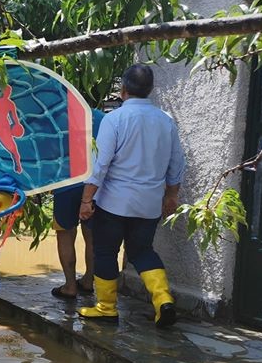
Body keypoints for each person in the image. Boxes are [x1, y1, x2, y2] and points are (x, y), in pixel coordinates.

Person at [78, 64, 185, 327]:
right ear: (150, 90)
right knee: (142, 251)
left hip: (114, 202)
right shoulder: (166, 120)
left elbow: (100, 164)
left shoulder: (115, 119)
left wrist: (86, 199)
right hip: (149, 204)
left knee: (105, 251)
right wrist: (171, 195)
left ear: (123, 89)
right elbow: (177, 162)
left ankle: (106, 308)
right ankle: (163, 301)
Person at [50, 108, 104, 300]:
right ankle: (88, 281)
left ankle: (70, 286)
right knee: (92, 237)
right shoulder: (101, 117)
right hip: (95, 186)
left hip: (65, 184)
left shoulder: (55, 117)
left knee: (65, 233)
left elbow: (48, 153)